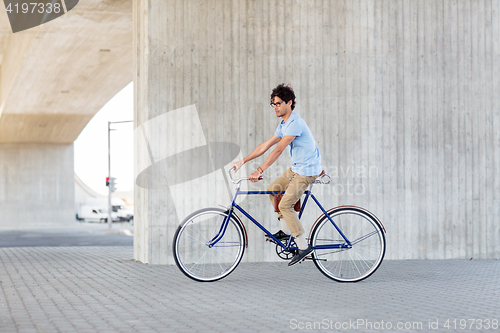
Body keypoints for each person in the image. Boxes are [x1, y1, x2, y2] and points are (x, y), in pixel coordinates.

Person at [232, 84, 322, 266]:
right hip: (297, 168)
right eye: (273, 104)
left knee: (286, 205)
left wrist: (259, 170)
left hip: (307, 171)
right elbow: (266, 145)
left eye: (279, 103)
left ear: (289, 103)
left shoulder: (295, 123)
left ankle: (303, 247)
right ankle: (286, 231)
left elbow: (279, 149)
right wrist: (243, 161)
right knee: (273, 190)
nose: (275, 107)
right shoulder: (284, 124)